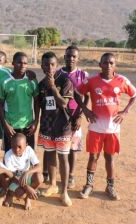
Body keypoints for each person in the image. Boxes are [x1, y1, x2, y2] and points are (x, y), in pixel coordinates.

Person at [78, 53, 136, 200]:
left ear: (115, 65)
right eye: (105, 63)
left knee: (109, 158)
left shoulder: (122, 80)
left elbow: (135, 94)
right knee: (93, 156)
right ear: (100, 64)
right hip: (96, 127)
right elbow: (76, 92)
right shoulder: (91, 81)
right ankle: (89, 186)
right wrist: (85, 110)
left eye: (111, 63)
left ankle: (110, 187)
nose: (108, 65)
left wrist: (124, 112)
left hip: (113, 129)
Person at [37, 52, 74, 206]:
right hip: (47, 125)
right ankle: (53, 185)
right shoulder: (40, 85)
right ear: (42, 66)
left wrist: (53, 87)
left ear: (57, 65)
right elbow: (39, 105)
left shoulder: (65, 81)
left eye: (52, 64)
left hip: (63, 126)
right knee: (50, 155)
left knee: (63, 157)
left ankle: (64, 191)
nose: (49, 67)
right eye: (46, 64)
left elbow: (63, 103)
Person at [55, 45, 89, 189]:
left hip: (75, 117)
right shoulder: (57, 73)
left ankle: (71, 176)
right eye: (68, 56)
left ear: (78, 58)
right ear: (64, 57)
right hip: (60, 117)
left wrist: (80, 116)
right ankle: (55, 175)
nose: (71, 58)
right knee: (62, 148)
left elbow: (86, 97)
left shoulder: (83, 75)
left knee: (73, 149)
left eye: (74, 56)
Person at [0, 52, 39, 152]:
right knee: (10, 156)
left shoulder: (31, 80)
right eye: (19, 62)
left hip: (28, 126)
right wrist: (5, 124)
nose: (22, 65)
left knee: (28, 157)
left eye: (25, 63)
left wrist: (36, 122)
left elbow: (37, 102)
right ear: (13, 63)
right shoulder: (4, 81)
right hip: (11, 127)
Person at [4, 133, 43, 210]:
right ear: (11, 145)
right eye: (13, 147)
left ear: (26, 145)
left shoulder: (29, 150)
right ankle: (10, 194)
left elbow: (39, 167)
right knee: (21, 194)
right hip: (14, 180)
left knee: (39, 177)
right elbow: (11, 176)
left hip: (25, 177)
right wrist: (27, 187)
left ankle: (27, 198)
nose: (16, 150)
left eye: (19, 147)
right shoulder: (8, 155)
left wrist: (27, 172)